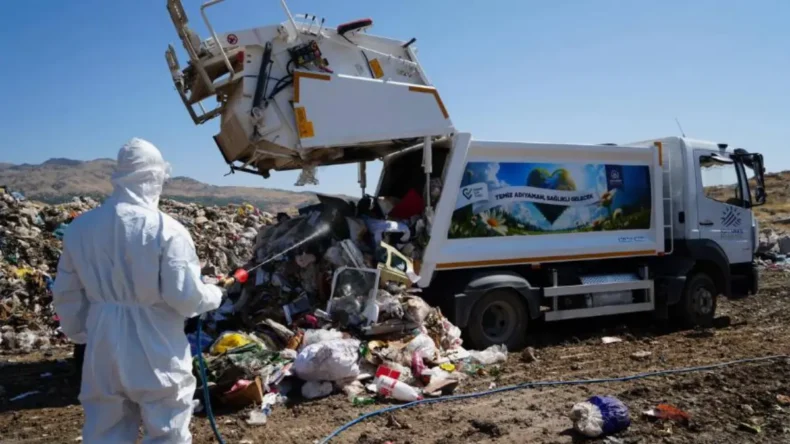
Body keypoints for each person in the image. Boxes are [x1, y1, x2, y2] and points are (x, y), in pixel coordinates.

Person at [52, 138, 224, 443]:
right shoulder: (166, 229)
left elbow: (66, 293)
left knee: (105, 431)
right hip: (157, 348)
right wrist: (214, 294)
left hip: (102, 346)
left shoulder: (80, 228)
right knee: (167, 430)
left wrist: (81, 334)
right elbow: (185, 297)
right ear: (155, 177)